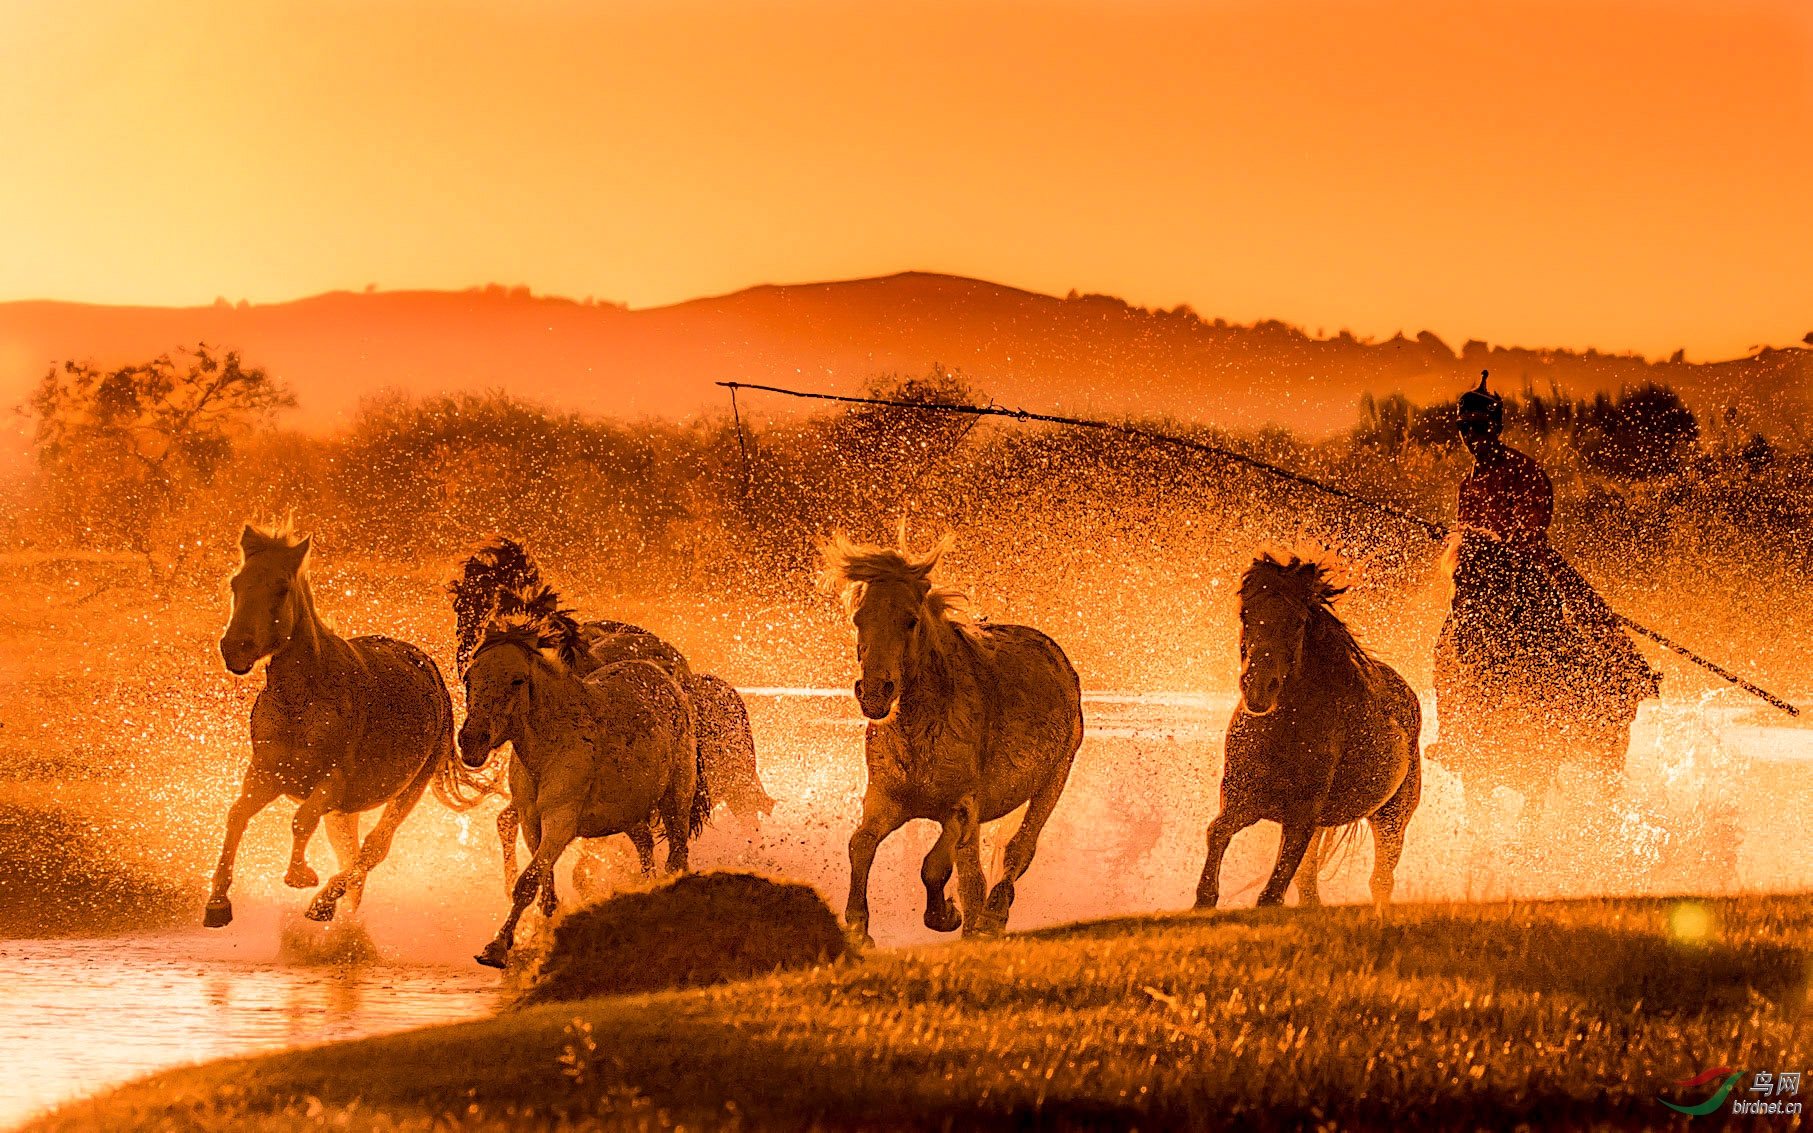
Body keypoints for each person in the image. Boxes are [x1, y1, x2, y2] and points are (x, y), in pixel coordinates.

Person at [1453, 370, 1660, 699]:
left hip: (1531, 565)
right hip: (1481, 578)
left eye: (1478, 427)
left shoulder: (1525, 470)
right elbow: (1465, 536)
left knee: (1587, 605)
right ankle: (1453, 727)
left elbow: (1532, 529)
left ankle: (1628, 670)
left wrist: (1494, 544)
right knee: (1447, 647)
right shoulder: (1467, 485)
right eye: (1464, 428)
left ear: (1496, 428)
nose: (1471, 436)